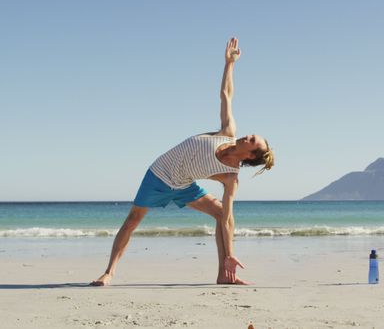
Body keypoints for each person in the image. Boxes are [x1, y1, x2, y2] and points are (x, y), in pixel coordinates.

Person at [90, 37, 274, 286]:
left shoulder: (231, 177)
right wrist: (229, 64)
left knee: (221, 214)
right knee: (133, 219)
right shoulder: (227, 132)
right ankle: (109, 272)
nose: (248, 135)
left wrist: (230, 254)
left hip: (184, 186)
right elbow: (226, 95)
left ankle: (223, 273)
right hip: (159, 174)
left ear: (251, 155)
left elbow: (229, 218)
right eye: (251, 134)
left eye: (252, 140)